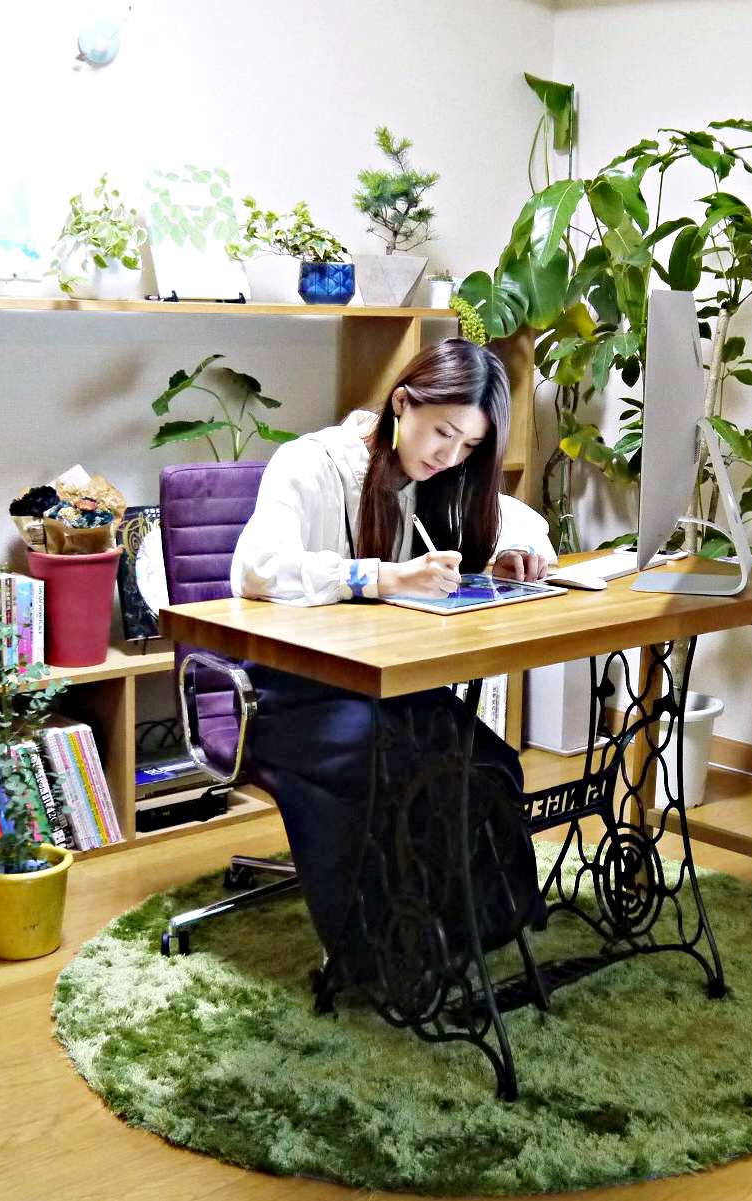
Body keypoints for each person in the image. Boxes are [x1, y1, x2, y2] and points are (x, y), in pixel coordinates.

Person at [229, 338, 557, 990]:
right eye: (443, 433)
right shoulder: (312, 464)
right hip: (292, 695)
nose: (449, 456)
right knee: (399, 765)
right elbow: (257, 569)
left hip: (380, 688)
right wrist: (381, 576)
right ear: (402, 402)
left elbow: (518, 518)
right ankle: (383, 958)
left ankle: (464, 932)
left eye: (469, 446)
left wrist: (518, 551)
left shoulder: (431, 479)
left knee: (487, 759)